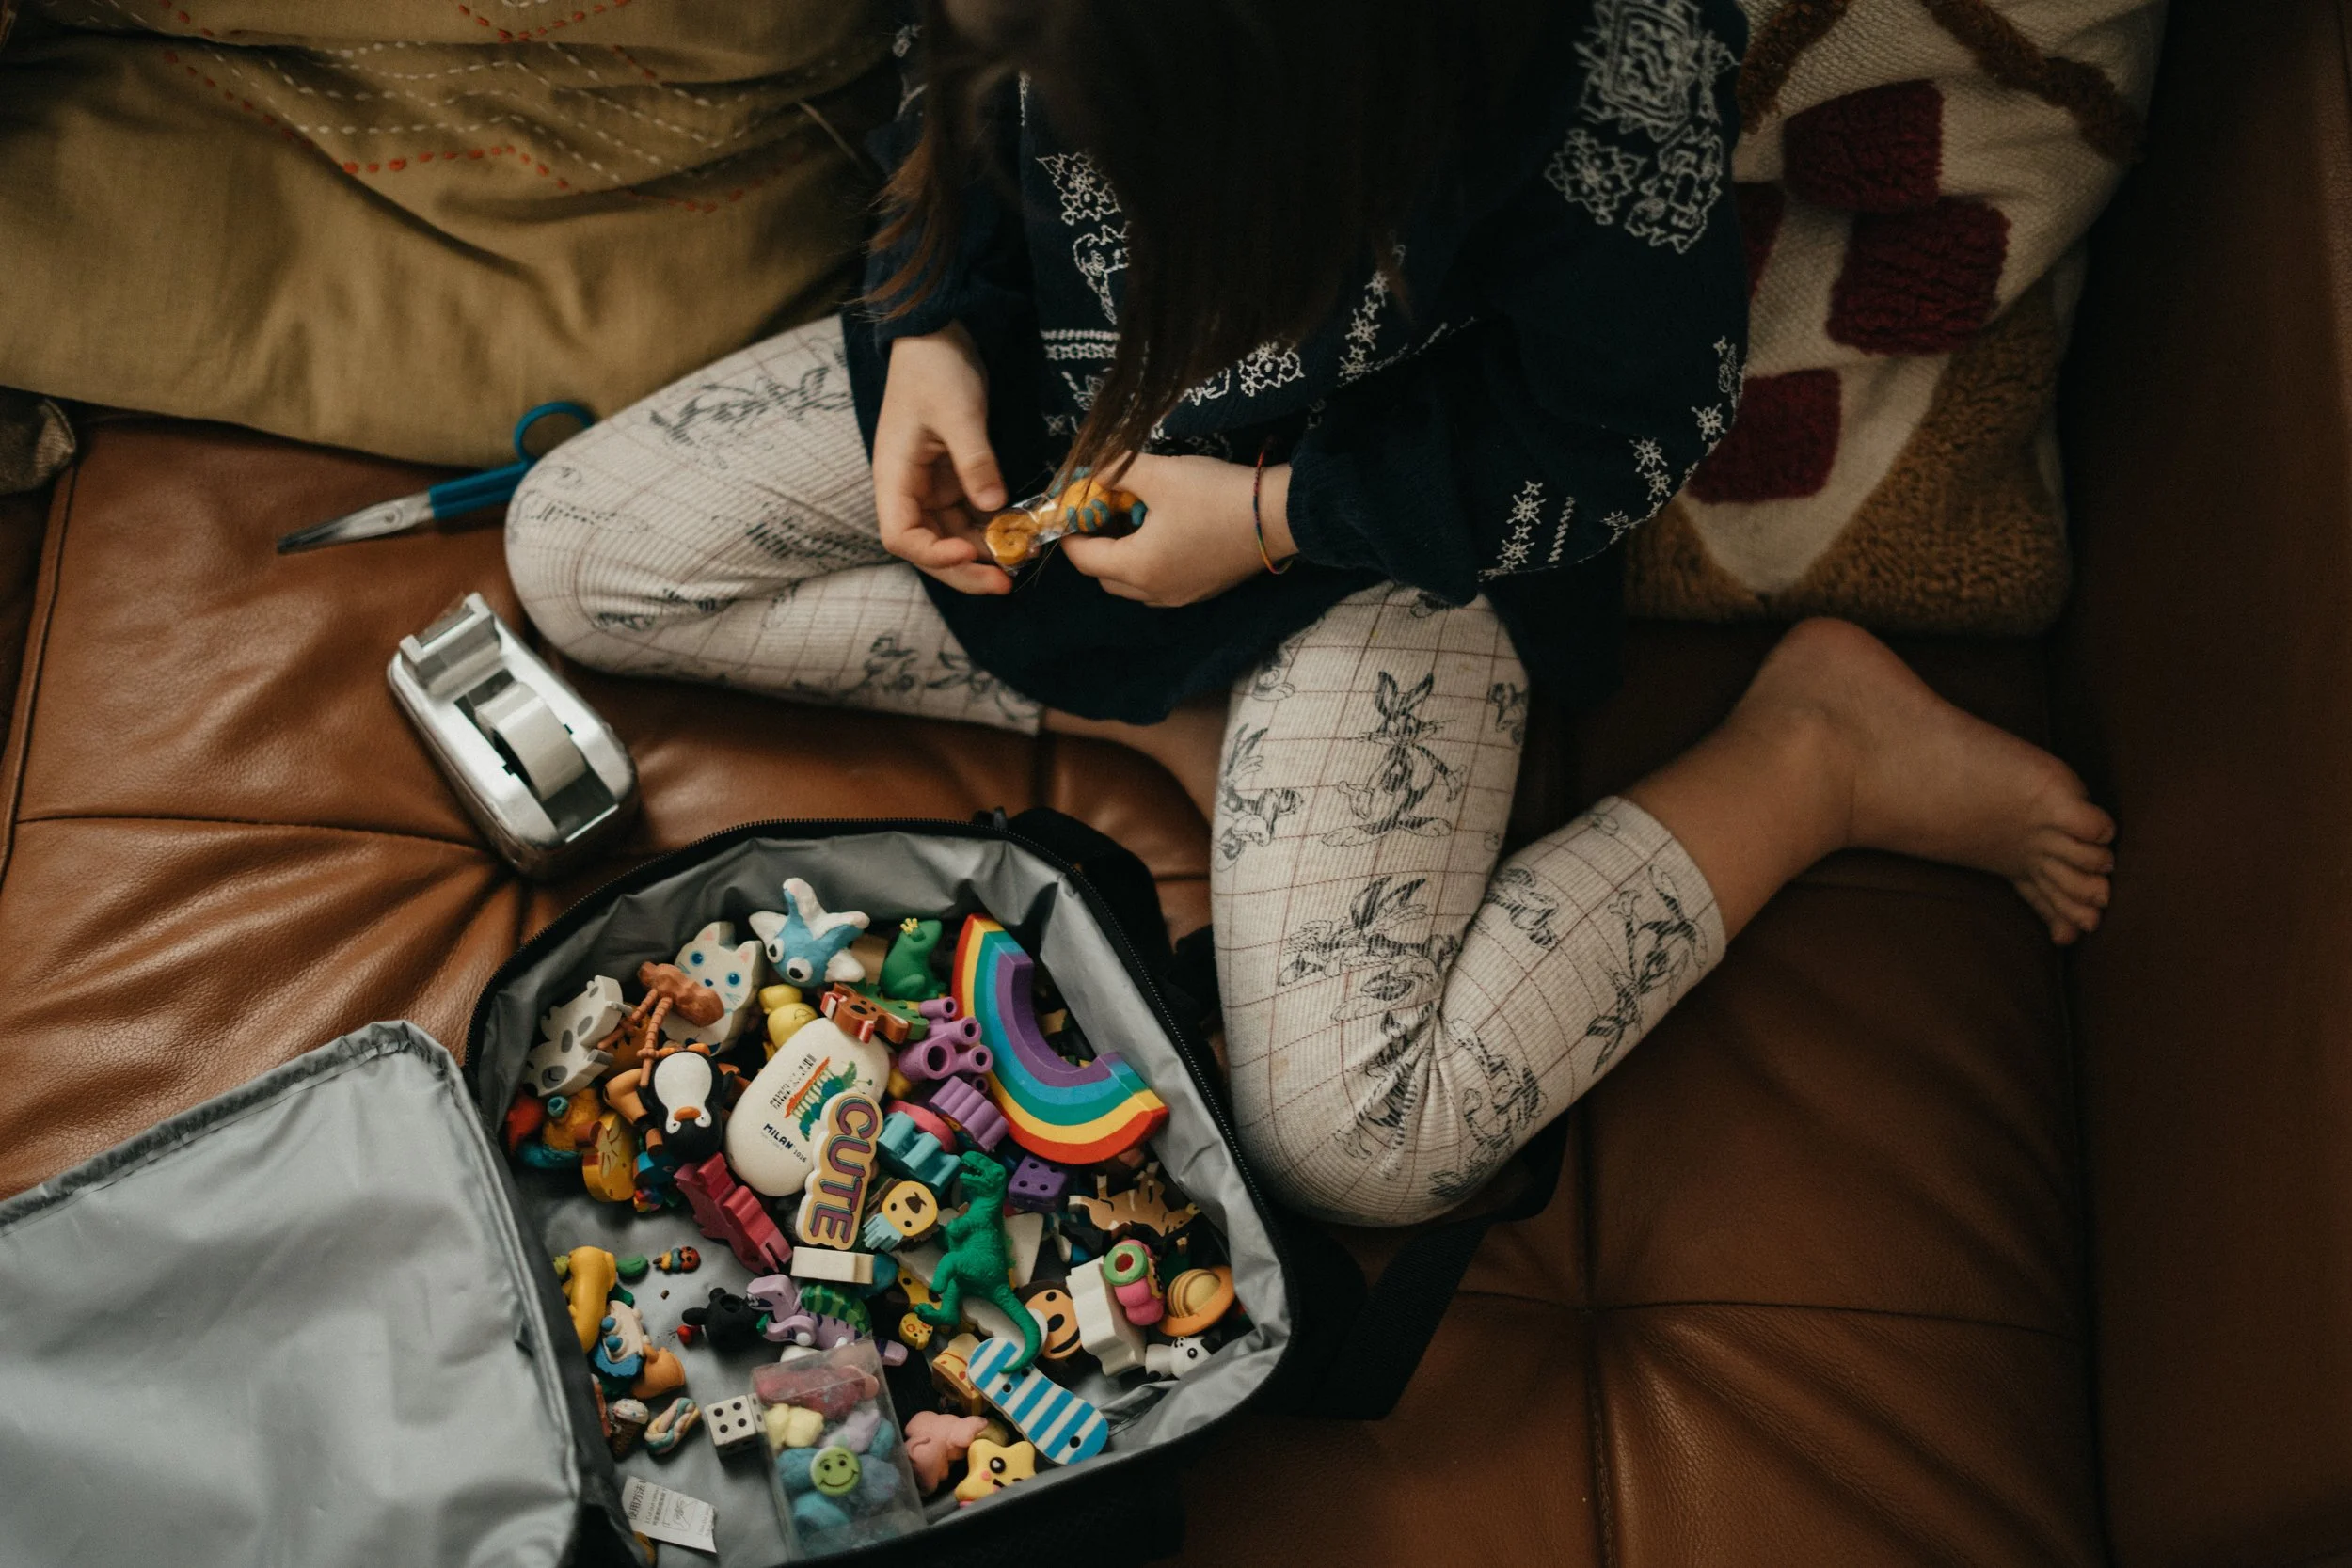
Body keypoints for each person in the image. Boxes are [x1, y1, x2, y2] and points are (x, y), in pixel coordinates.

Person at [506, 0, 2116, 1227]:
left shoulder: (1590, 59)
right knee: (576, 549)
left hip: (1380, 538)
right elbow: (943, 63)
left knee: (1362, 1140)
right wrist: (924, 318)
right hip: (1060, 401)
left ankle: (1812, 755)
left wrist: (1278, 518)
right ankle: (1196, 718)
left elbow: (1633, 424)